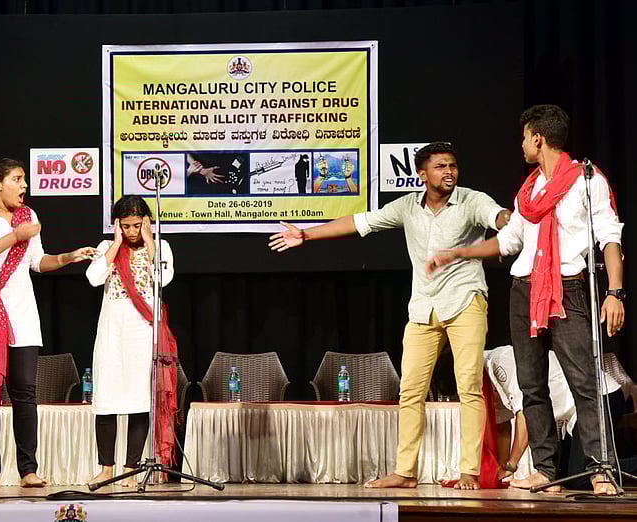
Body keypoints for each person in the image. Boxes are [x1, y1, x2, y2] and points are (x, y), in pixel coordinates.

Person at [270, 142, 511, 490]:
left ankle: (469, 471)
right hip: (423, 308)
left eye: (453, 166)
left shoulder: (472, 200)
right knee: (411, 390)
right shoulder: (407, 207)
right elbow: (359, 222)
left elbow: (497, 216)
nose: (449, 172)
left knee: (469, 388)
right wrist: (307, 234)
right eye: (441, 166)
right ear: (422, 174)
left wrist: (509, 219)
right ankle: (404, 472)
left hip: (465, 301)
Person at [427, 104, 625, 495]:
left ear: (537, 138)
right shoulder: (528, 190)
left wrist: (615, 293)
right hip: (525, 291)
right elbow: (509, 241)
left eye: (523, 137)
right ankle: (546, 470)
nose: (521, 144)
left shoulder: (587, 180)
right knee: (532, 386)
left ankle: (601, 469)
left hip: (569, 288)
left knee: (584, 381)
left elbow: (610, 237)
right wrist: (459, 253)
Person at [0, 157, 95, 489]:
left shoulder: (27, 217)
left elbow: (37, 261)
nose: (24, 186)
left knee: (25, 391)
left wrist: (67, 257)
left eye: (24, 180)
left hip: (20, 314)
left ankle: (28, 469)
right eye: (17, 179)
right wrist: (15, 235)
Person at [85, 195, 175, 488]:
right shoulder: (107, 248)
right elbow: (93, 278)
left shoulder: (160, 247)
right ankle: (107, 468)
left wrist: (150, 242)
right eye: (126, 226)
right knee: (106, 402)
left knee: (140, 400)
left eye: (137, 225)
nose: (132, 231)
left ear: (147, 222)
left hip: (142, 333)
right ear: (117, 225)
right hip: (112, 334)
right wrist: (113, 245)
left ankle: (132, 466)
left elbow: (164, 278)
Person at [485, 346, 635, 490]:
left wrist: (511, 466)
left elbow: (525, 417)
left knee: (579, 476)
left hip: (599, 397)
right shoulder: (486, 383)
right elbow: (503, 427)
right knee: (562, 476)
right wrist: (501, 470)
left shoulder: (500, 361)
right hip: (575, 415)